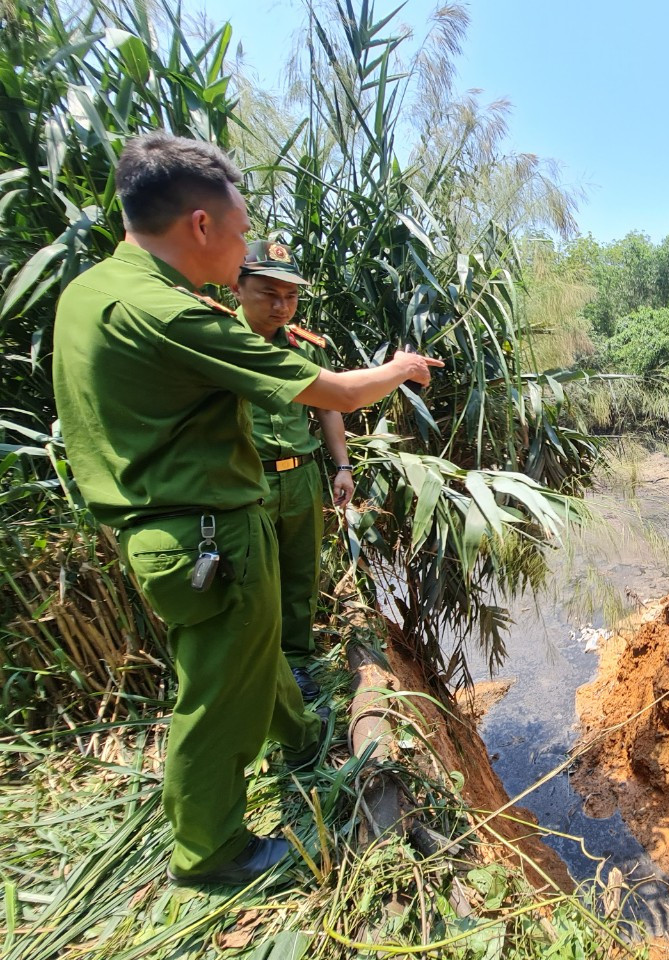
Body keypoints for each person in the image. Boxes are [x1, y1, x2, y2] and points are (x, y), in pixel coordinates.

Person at [52, 132, 442, 887]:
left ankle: (298, 740)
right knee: (219, 690)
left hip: (194, 523)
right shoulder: (170, 314)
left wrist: (337, 467)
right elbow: (332, 392)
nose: (243, 256)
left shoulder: (93, 293)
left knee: (254, 654)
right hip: (204, 531)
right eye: (238, 236)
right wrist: (399, 369)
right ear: (200, 226)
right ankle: (211, 851)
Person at [232, 242, 350, 702]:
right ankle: (256, 669)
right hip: (247, 479)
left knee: (300, 574)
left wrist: (341, 466)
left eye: (291, 296)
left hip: (301, 475)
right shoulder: (221, 341)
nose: (281, 306)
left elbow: (329, 407)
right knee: (251, 579)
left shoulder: (304, 347)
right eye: (268, 293)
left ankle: (297, 663)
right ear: (238, 288)